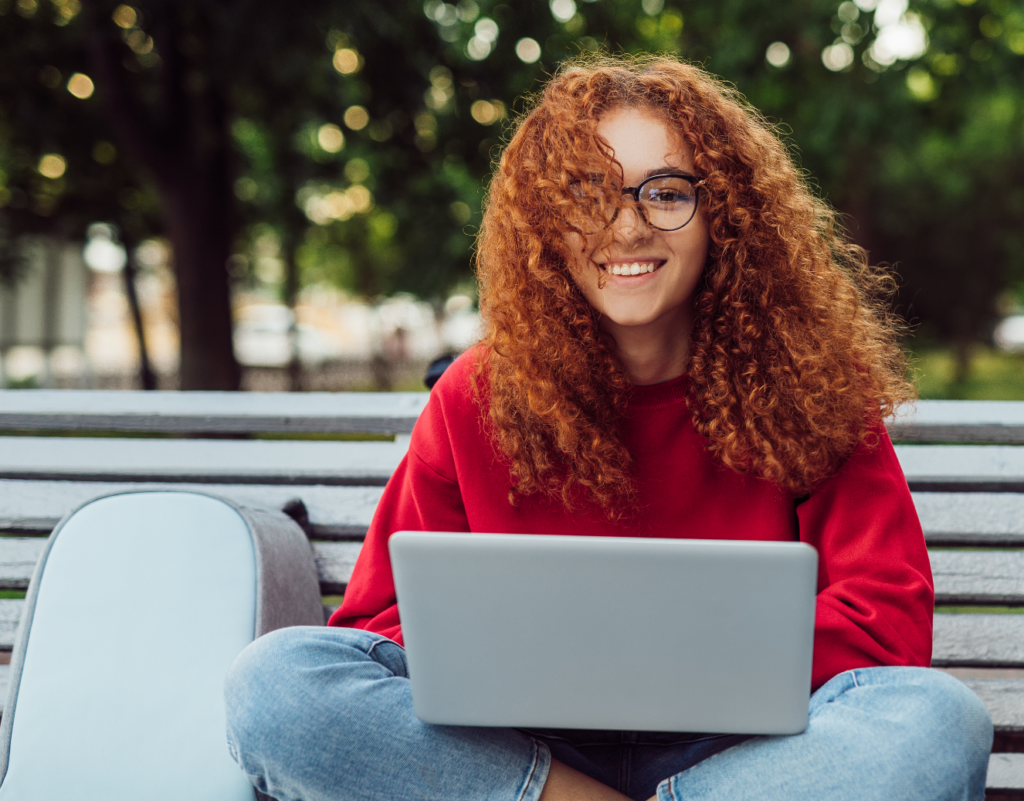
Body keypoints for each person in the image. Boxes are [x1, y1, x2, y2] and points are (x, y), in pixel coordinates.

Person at [224, 55, 993, 801]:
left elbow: (887, 621)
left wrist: (675, 657)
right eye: (589, 192)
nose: (627, 228)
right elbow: (376, 627)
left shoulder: (810, 388)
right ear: (547, 224)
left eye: (665, 192)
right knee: (273, 686)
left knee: (937, 723)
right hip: (517, 755)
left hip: (750, 756)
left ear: (723, 211)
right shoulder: (476, 394)